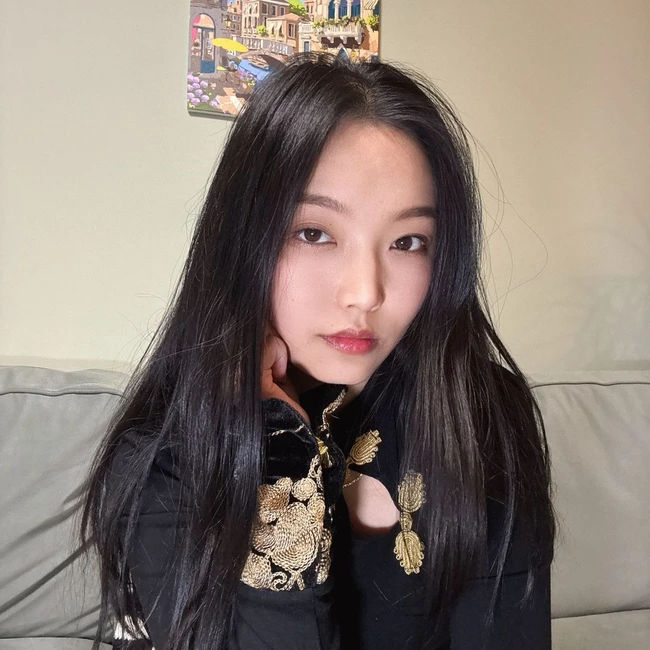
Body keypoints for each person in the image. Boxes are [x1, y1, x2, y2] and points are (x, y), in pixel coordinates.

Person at [79, 51, 556, 650]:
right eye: (314, 233)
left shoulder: (479, 410)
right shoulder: (171, 448)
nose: (365, 293)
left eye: (409, 242)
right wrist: (278, 449)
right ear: (242, 238)